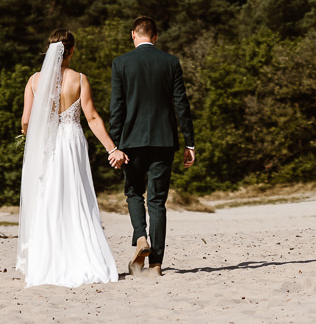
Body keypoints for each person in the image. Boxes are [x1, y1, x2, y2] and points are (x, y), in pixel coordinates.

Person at [16, 29, 122, 288]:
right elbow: (93, 118)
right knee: (75, 198)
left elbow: (26, 121)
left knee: (48, 198)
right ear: (71, 50)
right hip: (71, 143)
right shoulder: (80, 79)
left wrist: (30, 135)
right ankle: (83, 257)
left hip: (47, 145)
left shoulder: (34, 81)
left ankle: (46, 263)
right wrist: (112, 148)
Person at [108, 15, 196, 276]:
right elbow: (182, 104)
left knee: (134, 193)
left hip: (131, 141)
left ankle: (140, 238)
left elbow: (117, 108)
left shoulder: (121, 63)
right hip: (163, 140)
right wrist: (189, 142)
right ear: (155, 36)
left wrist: (114, 146)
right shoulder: (170, 62)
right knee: (157, 201)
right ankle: (156, 264)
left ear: (133, 35)